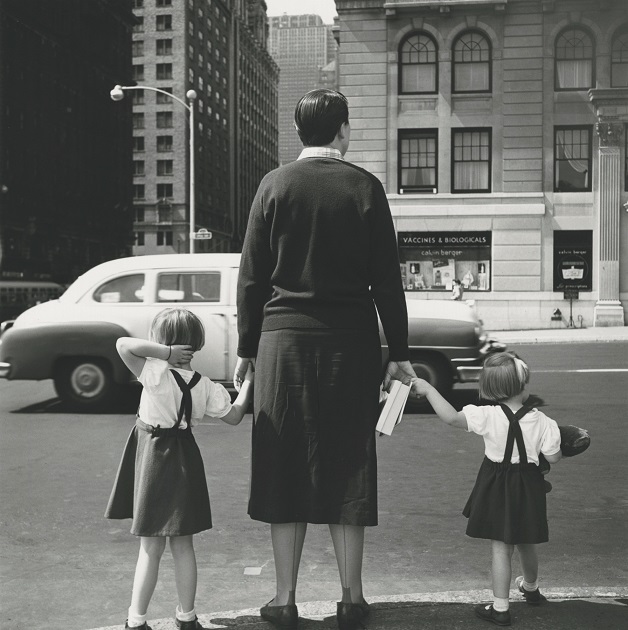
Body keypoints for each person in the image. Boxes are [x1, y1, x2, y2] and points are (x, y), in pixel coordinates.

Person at [234, 88, 415, 630]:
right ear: (342, 131)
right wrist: (399, 353)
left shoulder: (274, 185)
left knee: (283, 462)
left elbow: (250, 277)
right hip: (350, 343)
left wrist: (247, 350)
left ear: (298, 133)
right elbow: (387, 279)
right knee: (348, 464)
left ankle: (284, 599)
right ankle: (351, 598)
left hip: (282, 342)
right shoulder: (365, 188)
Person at [105, 307, 254, 630]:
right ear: (196, 344)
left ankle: (136, 619)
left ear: (163, 343)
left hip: (154, 457)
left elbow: (122, 344)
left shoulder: (154, 372)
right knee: (184, 545)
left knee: (150, 547)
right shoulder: (205, 386)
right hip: (185, 457)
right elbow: (233, 416)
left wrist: (164, 353)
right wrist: (247, 384)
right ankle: (186, 617)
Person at [410, 352, 562, 627]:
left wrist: (430, 389)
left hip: (497, 484)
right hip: (529, 485)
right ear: (523, 384)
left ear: (491, 389)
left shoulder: (487, 415)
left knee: (501, 548)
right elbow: (553, 457)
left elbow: (452, 418)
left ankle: (501, 607)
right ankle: (531, 588)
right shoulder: (543, 421)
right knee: (527, 541)